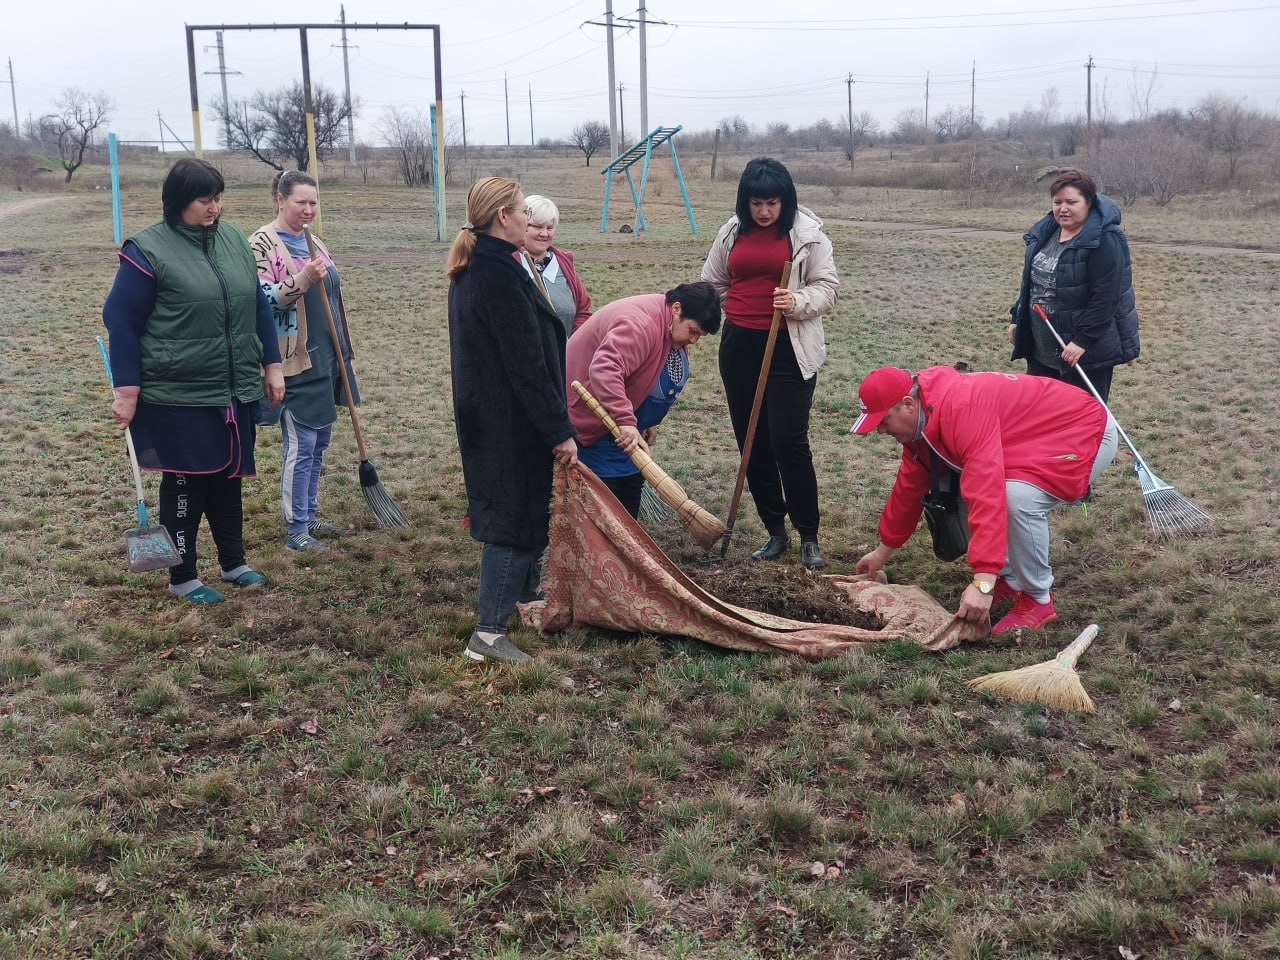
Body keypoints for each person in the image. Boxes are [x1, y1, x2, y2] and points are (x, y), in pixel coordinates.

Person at [102, 157, 285, 604]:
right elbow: (120, 317)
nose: (214, 208)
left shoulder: (234, 241)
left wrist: (272, 365)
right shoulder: (147, 250)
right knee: (187, 483)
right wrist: (127, 390)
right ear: (180, 201)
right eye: (205, 199)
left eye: (218, 198)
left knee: (228, 477)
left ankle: (233, 562)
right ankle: (182, 575)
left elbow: (258, 306)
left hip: (233, 385)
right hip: (177, 391)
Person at [850, 365, 1118, 635]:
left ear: (908, 404)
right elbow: (909, 487)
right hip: (1029, 437)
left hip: (1080, 428)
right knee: (961, 484)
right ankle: (1011, 578)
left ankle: (1038, 599)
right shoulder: (922, 418)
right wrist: (880, 553)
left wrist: (983, 582)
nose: (881, 432)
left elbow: (986, 489)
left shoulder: (960, 408)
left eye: (883, 421)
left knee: (1017, 498)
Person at [447, 177, 578, 664]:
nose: (530, 219)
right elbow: (526, 365)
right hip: (506, 420)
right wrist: (558, 430)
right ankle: (487, 634)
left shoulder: (483, 263)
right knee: (512, 520)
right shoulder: (497, 275)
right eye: (524, 211)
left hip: (490, 415)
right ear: (503, 216)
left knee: (521, 510)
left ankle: (525, 598)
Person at [701, 157, 840, 570]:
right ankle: (774, 531)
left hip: (789, 347)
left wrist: (797, 302)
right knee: (752, 442)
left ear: (786, 200)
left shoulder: (807, 236)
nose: (764, 211)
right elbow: (712, 282)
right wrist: (736, 305)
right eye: (756, 203)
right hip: (740, 345)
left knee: (788, 441)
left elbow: (828, 288)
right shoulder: (731, 232)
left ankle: (808, 535)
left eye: (772, 203)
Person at [250, 170, 360, 553]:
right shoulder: (262, 244)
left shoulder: (316, 241)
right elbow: (261, 302)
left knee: (320, 440)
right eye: (301, 202)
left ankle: (309, 513)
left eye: (313, 202)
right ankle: (296, 528)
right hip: (293, 361)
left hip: (326, 358)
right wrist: (302, 279)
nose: (308, 210)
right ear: (280, 199)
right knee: (301, 442)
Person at [566, 283, 722, 517]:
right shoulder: (640, 324)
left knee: (630, 488)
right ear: (677, 309)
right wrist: (627, 420)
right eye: (693, 331)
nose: (694, 340)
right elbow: (604, 370)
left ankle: (625, 548)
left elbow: (647, 373)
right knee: (606, 501)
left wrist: (646, 420)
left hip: (624, 423)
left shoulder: (668, 323)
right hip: (595, 417)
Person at [1009, 168, 1139, 403]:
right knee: (1039, 414)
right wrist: (1018, 319)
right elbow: (1033, 282)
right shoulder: (1046, 232)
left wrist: (1082, 341)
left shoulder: (1104, 239)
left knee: (1080, 419)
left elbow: (1106, 297)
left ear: (1089, 201)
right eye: (1057, 202)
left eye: (1071, 201)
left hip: (1081, 351)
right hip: (1042, 346)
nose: (1063, 208)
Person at [519, 194, 593, 336]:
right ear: (521, 225)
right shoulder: (510, 265)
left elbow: (582, 312)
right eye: (537, 226)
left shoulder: (565, 266)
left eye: (550, 228)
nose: (544, 234)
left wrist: (575, 343)